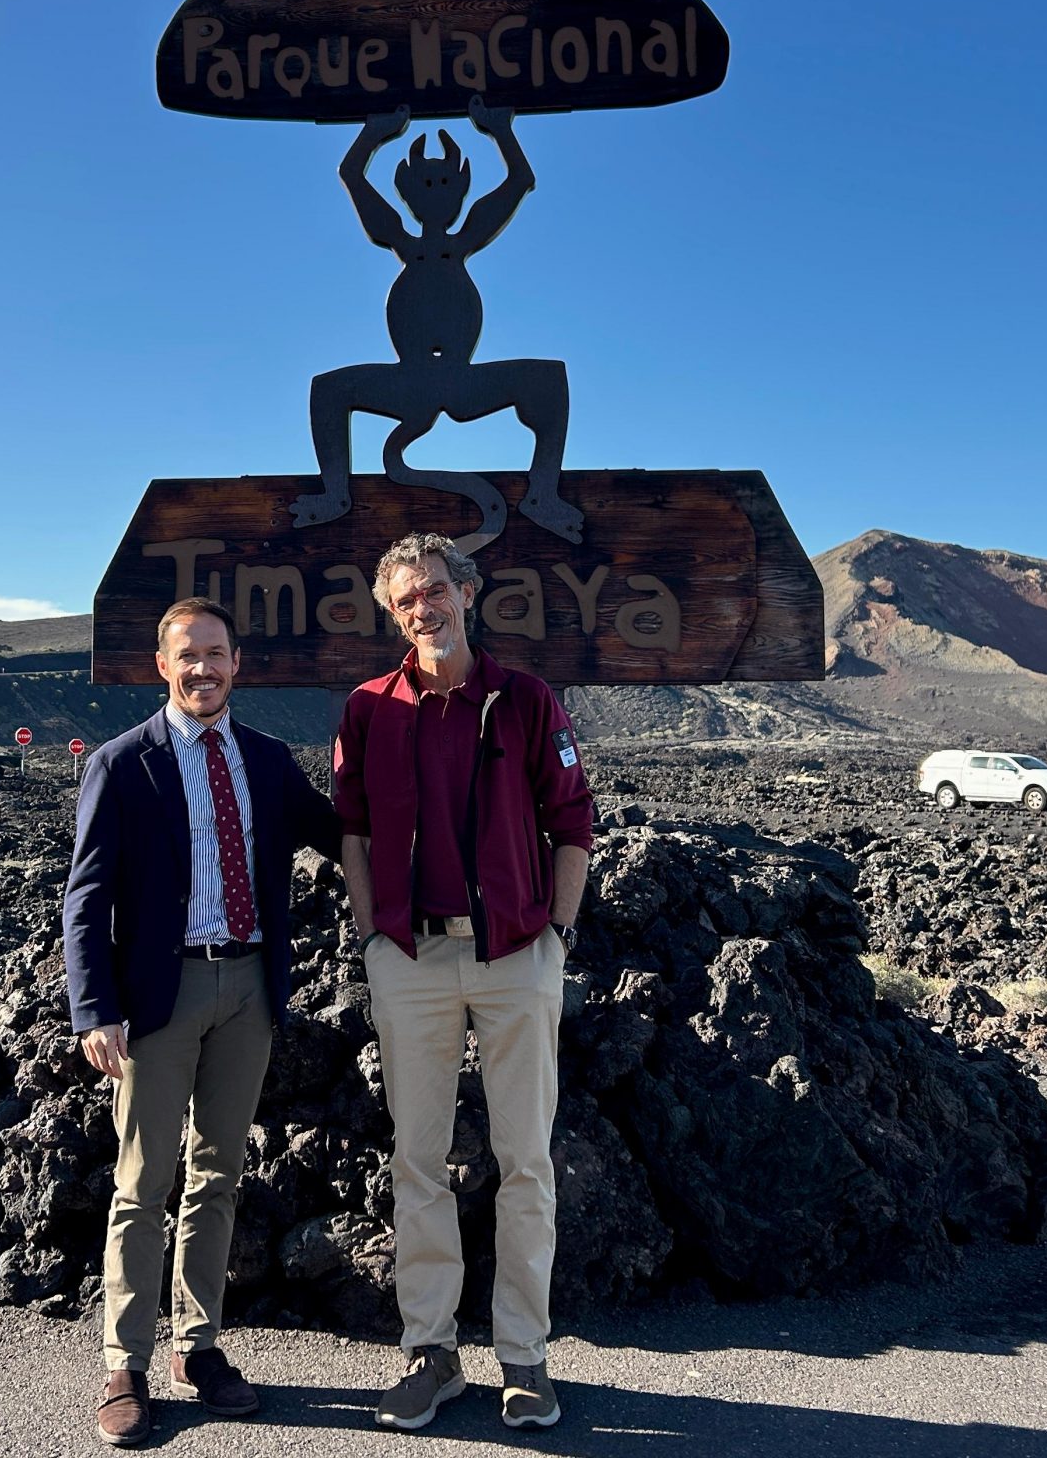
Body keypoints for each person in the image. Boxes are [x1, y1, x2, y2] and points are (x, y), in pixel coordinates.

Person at [63, 596, 340, 1447]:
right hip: (158, 997)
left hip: (249, 988)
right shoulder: (122, 763)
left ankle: (198, 1344)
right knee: (142, 1183)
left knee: (218, 1174)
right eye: (188, 656)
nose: (204, 669)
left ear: (237, 662)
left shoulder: (265, 758)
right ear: (163, 664)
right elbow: (85, 896)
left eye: (216, 654)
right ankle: (125, 1361)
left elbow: (339, 834)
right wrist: (94, 1007)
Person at [333, 531, 594, 1432]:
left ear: (468, 591)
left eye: (434, 590)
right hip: (412, 959)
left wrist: (555, 934)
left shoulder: (524, 700)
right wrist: (373, 938)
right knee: (418, 1160)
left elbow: (573, 823)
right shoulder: (369, 708)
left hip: (516, 954)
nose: (423, 609)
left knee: (526, 1161)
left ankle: (524, 1355)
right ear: (390, 613)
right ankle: (431, 1352)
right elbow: (355, 833)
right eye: (405, 600)